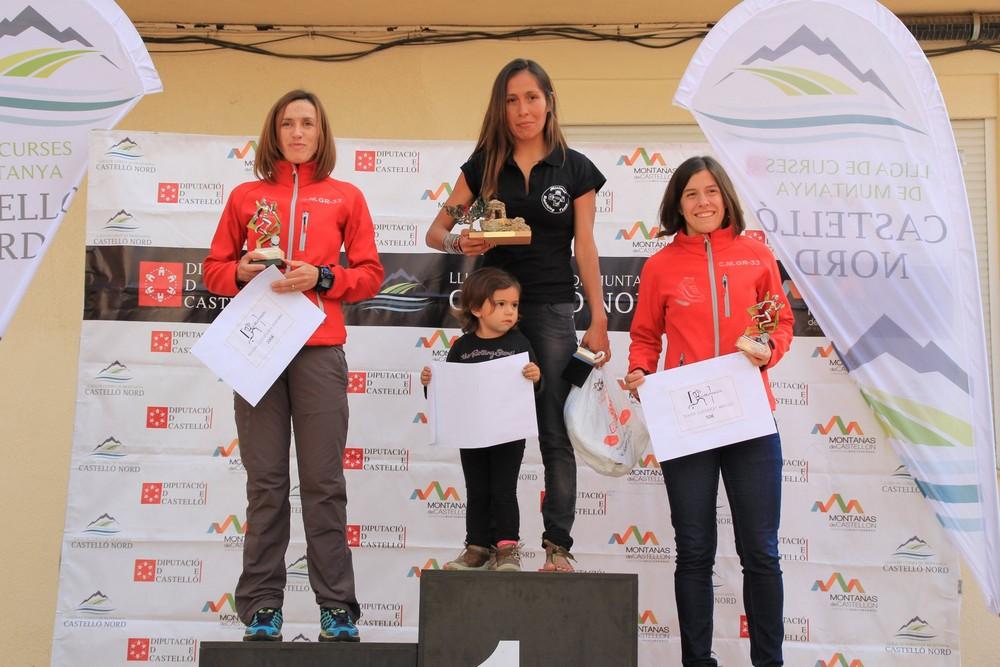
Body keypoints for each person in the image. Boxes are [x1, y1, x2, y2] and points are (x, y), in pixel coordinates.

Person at [203, 90, 384, 643]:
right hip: (257, 347)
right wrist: (241, 271)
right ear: (274, 133)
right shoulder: (246, 196)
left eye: (307, 123)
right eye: (288, 123)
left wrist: (323, 277)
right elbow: (212, 270)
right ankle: (262, 608)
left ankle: (337, 608)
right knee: (266, 483)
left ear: (321, 132)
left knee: (324, 482)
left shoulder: (346, 196)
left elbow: (371, 274)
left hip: (318, 348)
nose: (298, 132)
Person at [426, 58, 608, 571]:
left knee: (554, 430)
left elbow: (586, 247)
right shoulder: (483, 165)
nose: (523, 109)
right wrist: (463, 240)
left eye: (531, 97)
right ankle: (485, 543)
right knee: (484, 430)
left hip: (551, 309)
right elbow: (435, 232)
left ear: (549, 102)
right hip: (491, 313)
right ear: (500, 108)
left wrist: (598, 318)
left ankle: (558, 546)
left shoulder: (576, 169)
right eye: (511, 100)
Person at [623, 155, 792, 666]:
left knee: (760, 550)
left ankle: (769, 662)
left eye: (711, 191)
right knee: (694, 551)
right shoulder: (660, 265)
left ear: (726, 197)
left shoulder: (756, 255)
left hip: (750, 419)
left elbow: (779, 322)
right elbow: (645, 336)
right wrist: (640, 371)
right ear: (678, 204)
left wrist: (768, 348)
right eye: (692, 194)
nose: (703, 202)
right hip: (687, 419)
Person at [420, 267, 541, 572]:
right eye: (500, 304)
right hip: (470, 434)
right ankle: (476, 549)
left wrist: (535, 376)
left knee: (503, 489)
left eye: (514, 305)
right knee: (477, 490)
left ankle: (507, 549)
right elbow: (448, 393)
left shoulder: (520, 343)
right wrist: (430, 384)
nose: (510, 311)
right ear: (476, 308)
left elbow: (534, 389)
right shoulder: (462, 347)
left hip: (508, 434)